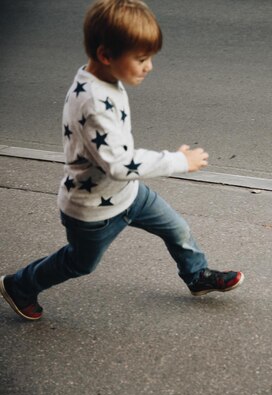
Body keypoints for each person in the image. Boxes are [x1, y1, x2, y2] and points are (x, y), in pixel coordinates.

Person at [0, 0, 244, 321]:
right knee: (79, 263)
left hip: (129, 195)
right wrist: (178, 161)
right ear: (105, 55)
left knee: (177, 229)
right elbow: (119, 163)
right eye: (141, 59)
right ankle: (19, 286)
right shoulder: (92, 103)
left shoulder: (104, 78)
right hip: (93, 211)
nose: (149, 67)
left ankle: (196, 275)